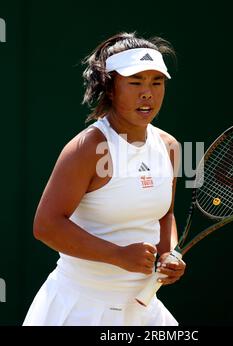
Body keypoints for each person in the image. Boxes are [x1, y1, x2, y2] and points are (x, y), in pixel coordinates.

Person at [23, 31, 186, 326]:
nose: (147, 93)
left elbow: (165, 215)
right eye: (135, 82)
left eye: (156, 82)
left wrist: (168, 252)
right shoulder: (87, 148)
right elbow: (46, 226)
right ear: (111, 89)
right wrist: (118, 255)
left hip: (144, 310)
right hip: (79, 308)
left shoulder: (170, 147)